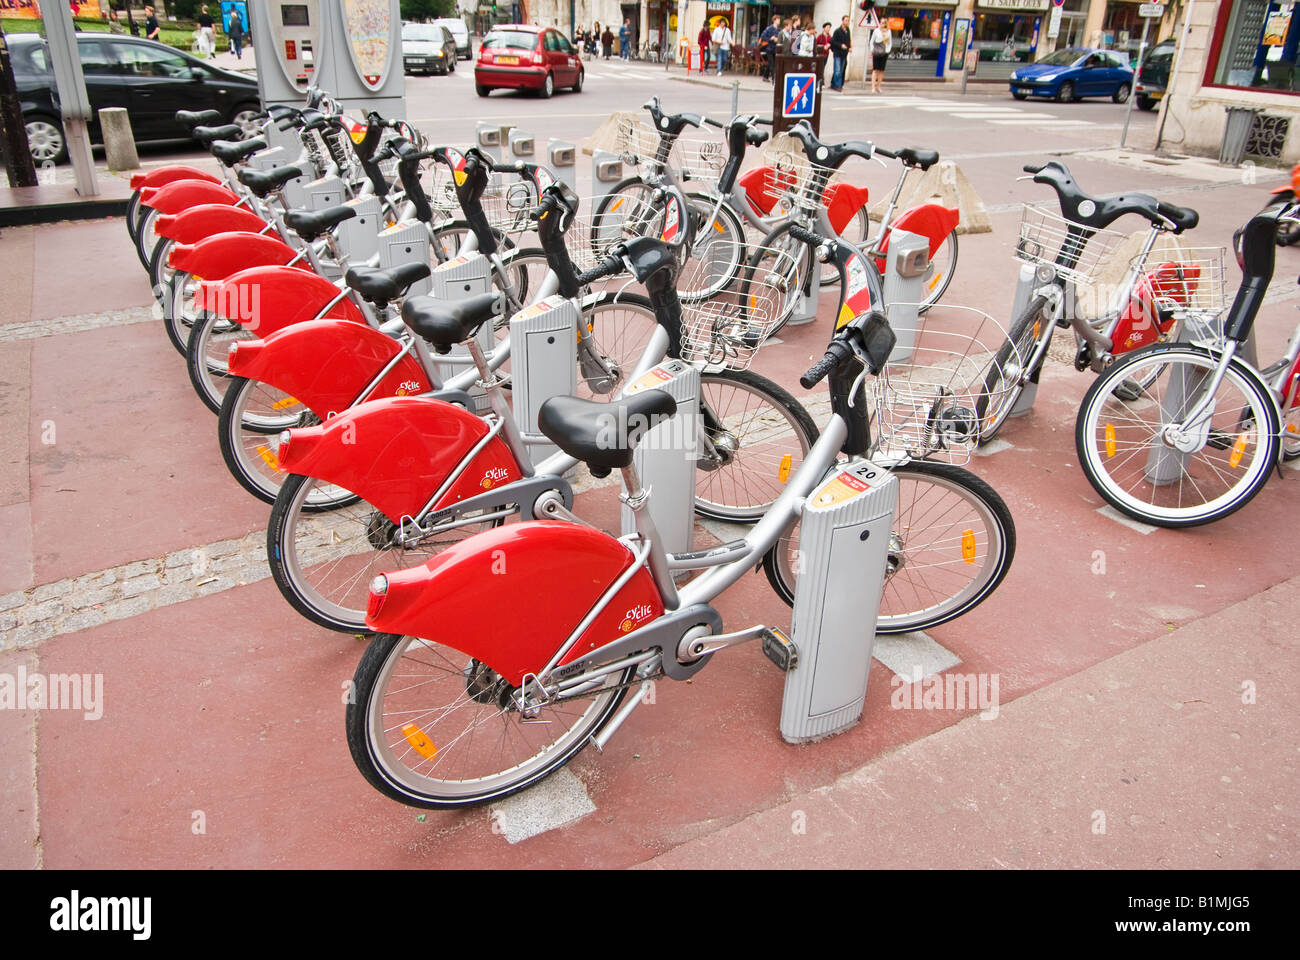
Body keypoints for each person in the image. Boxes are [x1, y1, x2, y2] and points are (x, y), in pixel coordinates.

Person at [830, 14, 851, 91]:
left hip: (844, 54)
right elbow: (833, 41)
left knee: (841, 70)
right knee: (837, 70)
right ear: (842, 21)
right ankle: (837, 85)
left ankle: (834, 83)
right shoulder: (837, 31)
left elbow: (848, 41)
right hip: (838, 53)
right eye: (846, 20)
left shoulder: (848, 31)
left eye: (848, 21)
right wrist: (840, 45)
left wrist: (848, 47)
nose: (847, 22)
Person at [870, 21, 892, 93]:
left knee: (881, 70)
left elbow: (889, 42)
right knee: (875, 70)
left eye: (884, 23)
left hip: (884, 52)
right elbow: (872, 41)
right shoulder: (876, 31)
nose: (883, 24)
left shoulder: (888, 32)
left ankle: (878, 86)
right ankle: (873, 87)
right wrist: (872, 50)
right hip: (877, 52)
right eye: (882, 23)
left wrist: (887, 51)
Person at [758, 14, 781, 82]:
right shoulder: (769, 28)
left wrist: (777, 39)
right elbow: (763, 36)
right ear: (774, 20)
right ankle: (774, 78)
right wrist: (771, 39)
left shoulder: (779, 29)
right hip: (769, 48)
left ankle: (765, 76)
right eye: (778, 20)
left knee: (771, 63)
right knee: (772, 64)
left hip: (776, 48)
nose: (779, 21)